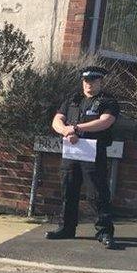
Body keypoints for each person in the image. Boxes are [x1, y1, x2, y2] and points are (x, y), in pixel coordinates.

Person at [45, 65, 119, 249]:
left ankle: (104, 232)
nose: (89, 84)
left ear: (100, 81)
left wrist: (78, 128)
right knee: (68, 190)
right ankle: (67, 228)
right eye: (86, 80)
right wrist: (66, 131)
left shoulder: (107, 101)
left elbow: (105, 122)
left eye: (93, 80)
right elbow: (57, 120)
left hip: (93, 153)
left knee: (97, 193)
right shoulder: (73, 99)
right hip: (72, 152)